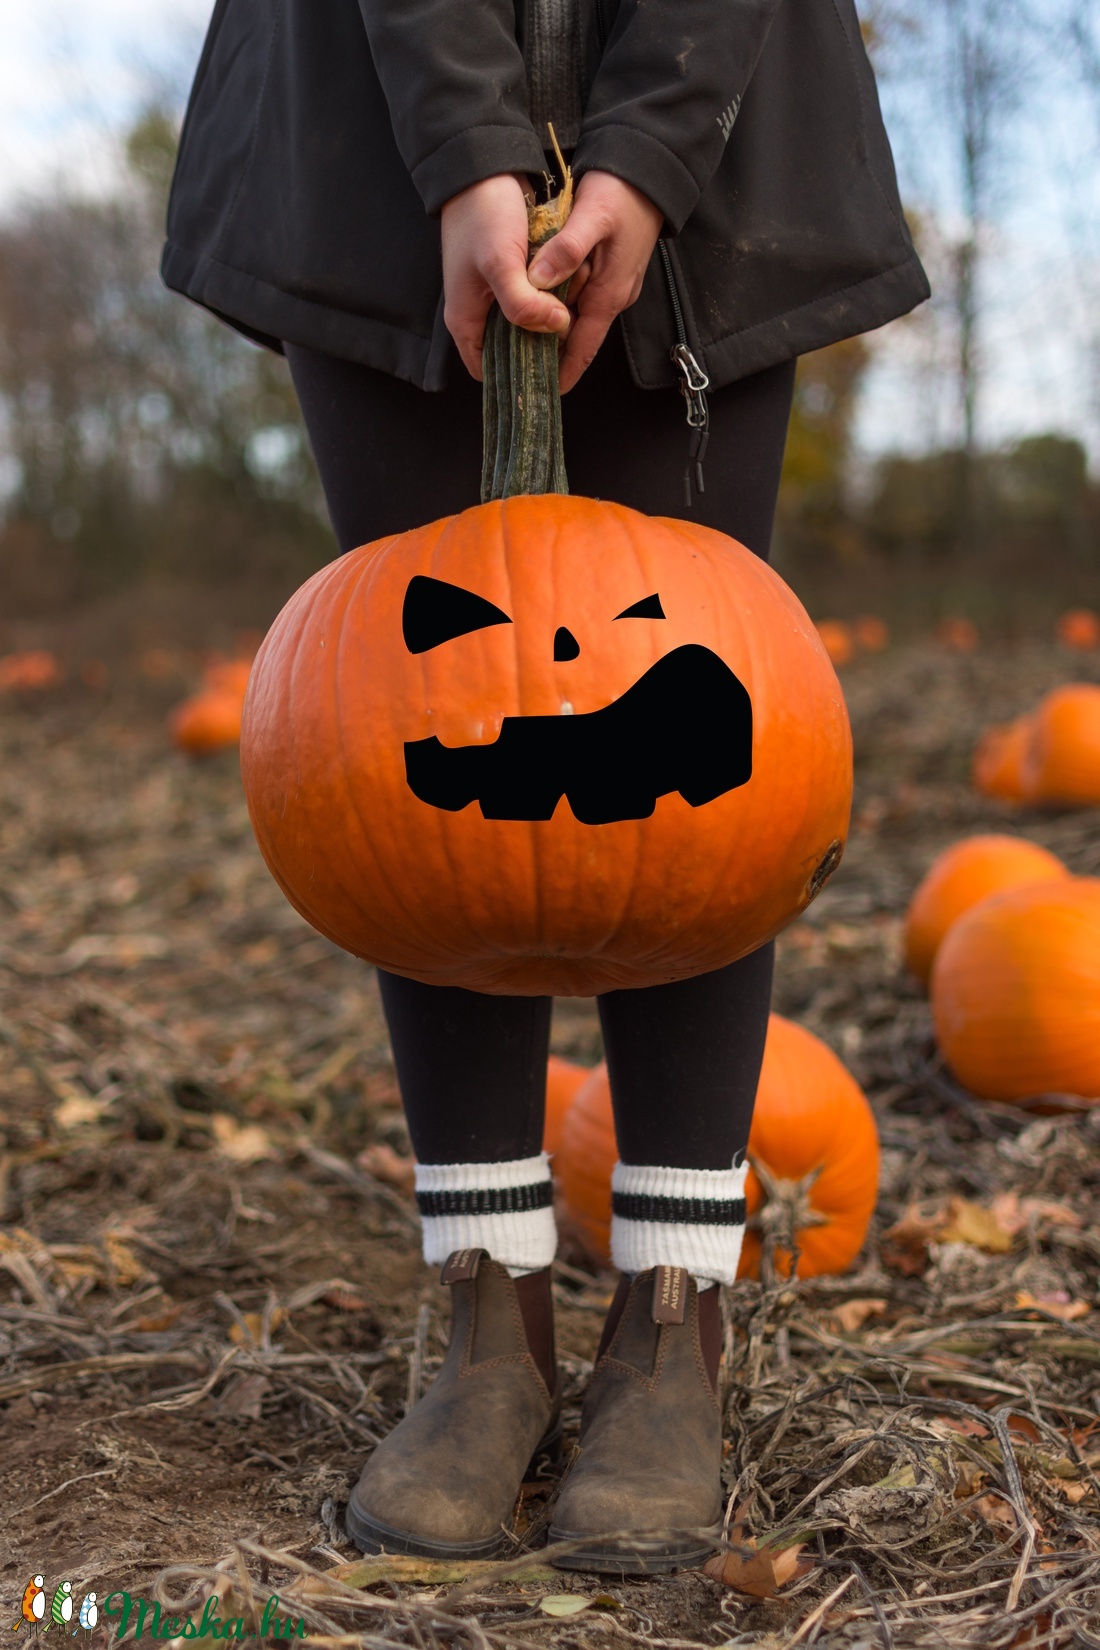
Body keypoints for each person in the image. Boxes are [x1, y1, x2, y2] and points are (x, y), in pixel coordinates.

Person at [164, 0, 928, 1576]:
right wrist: (463, 147)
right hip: (373, 124)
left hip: (721, 120)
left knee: (694, 757)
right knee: (426, 744)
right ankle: (485, 1311)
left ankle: (671, 1314)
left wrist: (647, 146)